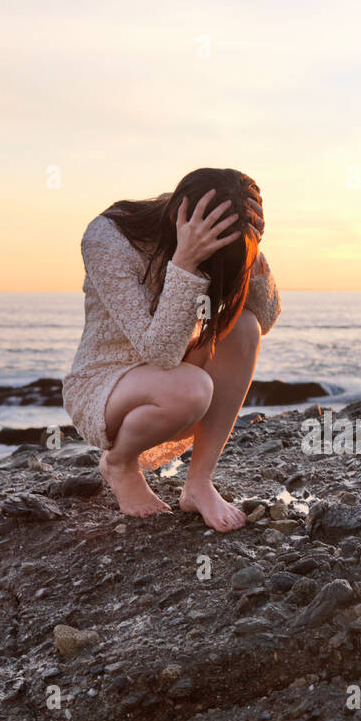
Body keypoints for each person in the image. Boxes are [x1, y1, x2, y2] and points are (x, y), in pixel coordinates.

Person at [62, 167, 279, 531]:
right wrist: (185, 261)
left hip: (178, 370)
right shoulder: (108, 237)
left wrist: (251, 249)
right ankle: (120, 464)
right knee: (192, 388)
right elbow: (158, 351)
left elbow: (264, 315)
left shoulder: (217, 235)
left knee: (244, 327)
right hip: (106, 385)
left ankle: (198, 484)